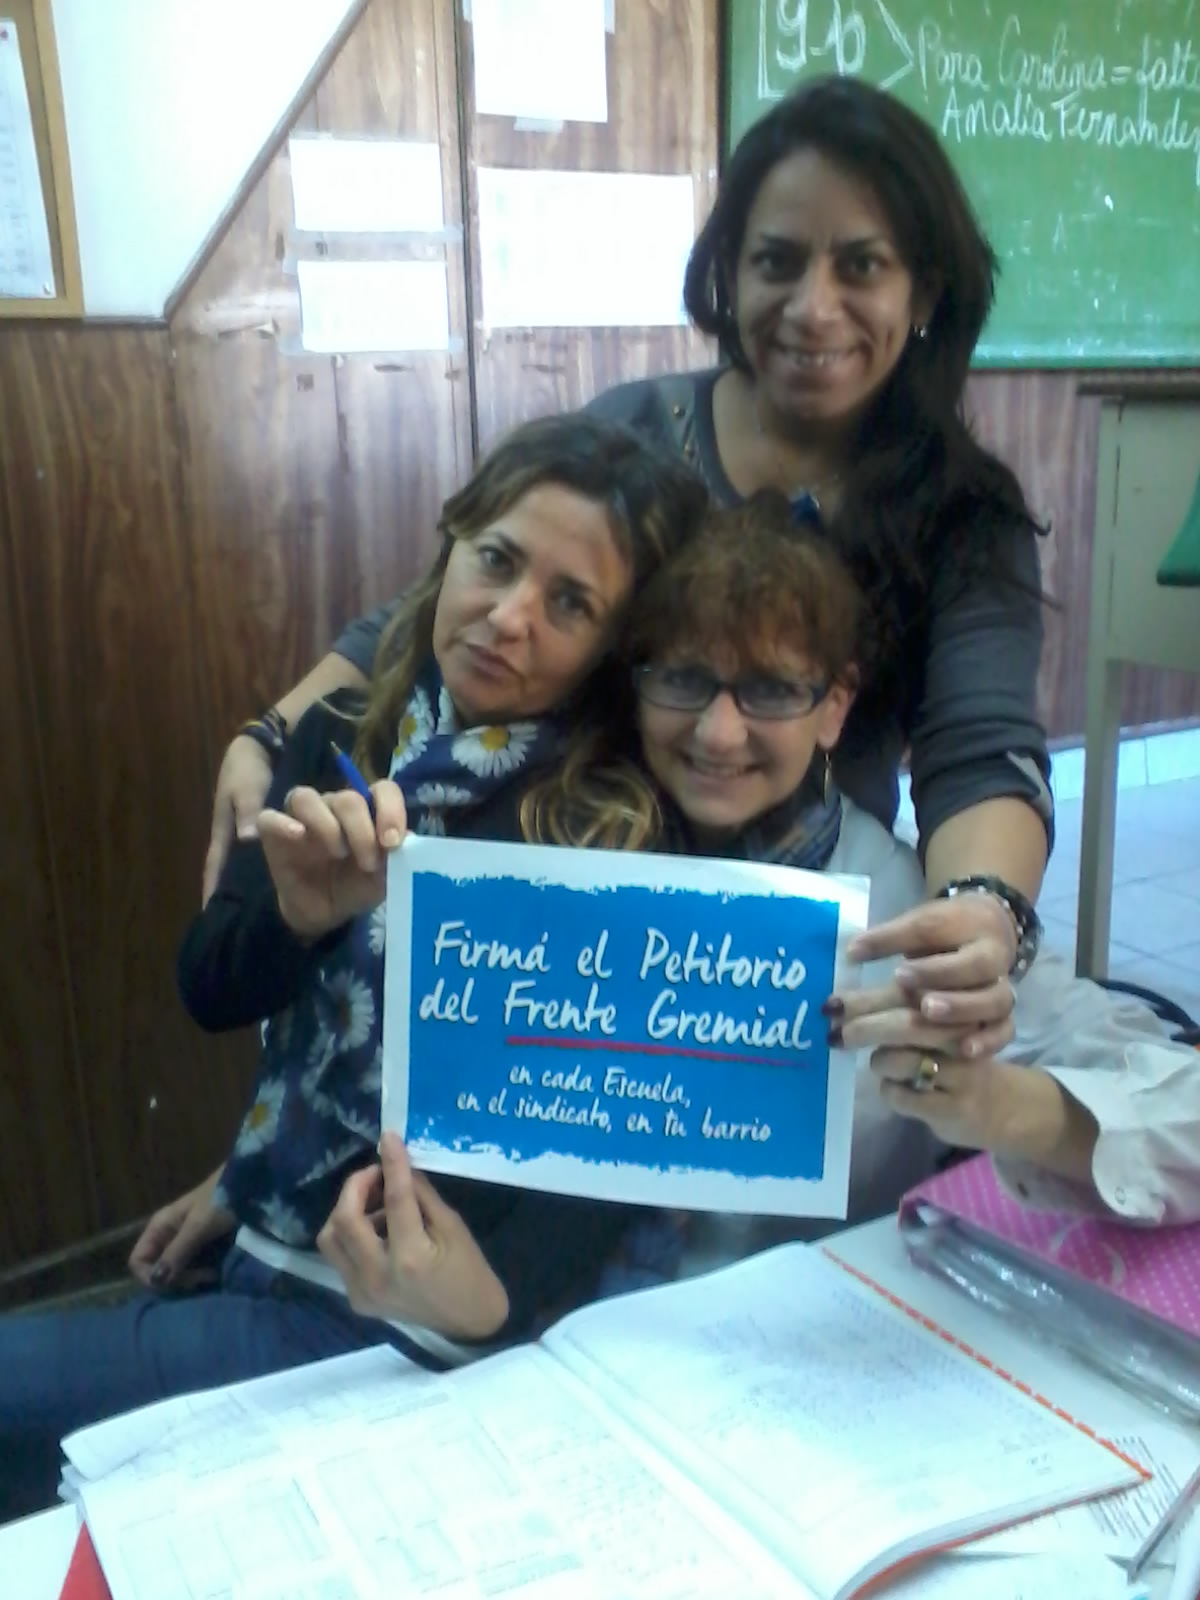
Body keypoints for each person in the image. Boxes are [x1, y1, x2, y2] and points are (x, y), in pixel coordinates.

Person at [203, 76, 1053, 1072]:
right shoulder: (635, 435)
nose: (814, 307)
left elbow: (982, 751)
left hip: (785, 949)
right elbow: (433, 612)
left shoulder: (965, 513)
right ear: (729, 272)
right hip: (566, 916)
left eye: (860, 265)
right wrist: (270, 734)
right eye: (777, 261)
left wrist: (981, 912)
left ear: (926, 292)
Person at [0, 414, 708, 1523]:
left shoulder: (604, 834)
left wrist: (484, 1313)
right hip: (267, 1236)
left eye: (571, 604)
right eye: (497, 560)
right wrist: (292, 920)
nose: (509, 617)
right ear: (451, 546)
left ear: (614, 647)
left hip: (387, 1317)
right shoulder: (342, 727)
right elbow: (209, 986)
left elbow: (597, 1154)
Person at [323, 493, 1200, 1327]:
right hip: (524, 1341)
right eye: (683, 680)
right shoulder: (547, 856)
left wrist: (1001, 1108)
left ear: (835, 706)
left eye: (772, 691)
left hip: (801, 1350)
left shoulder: (899, 910)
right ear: (635, 684)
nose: (718, 734)